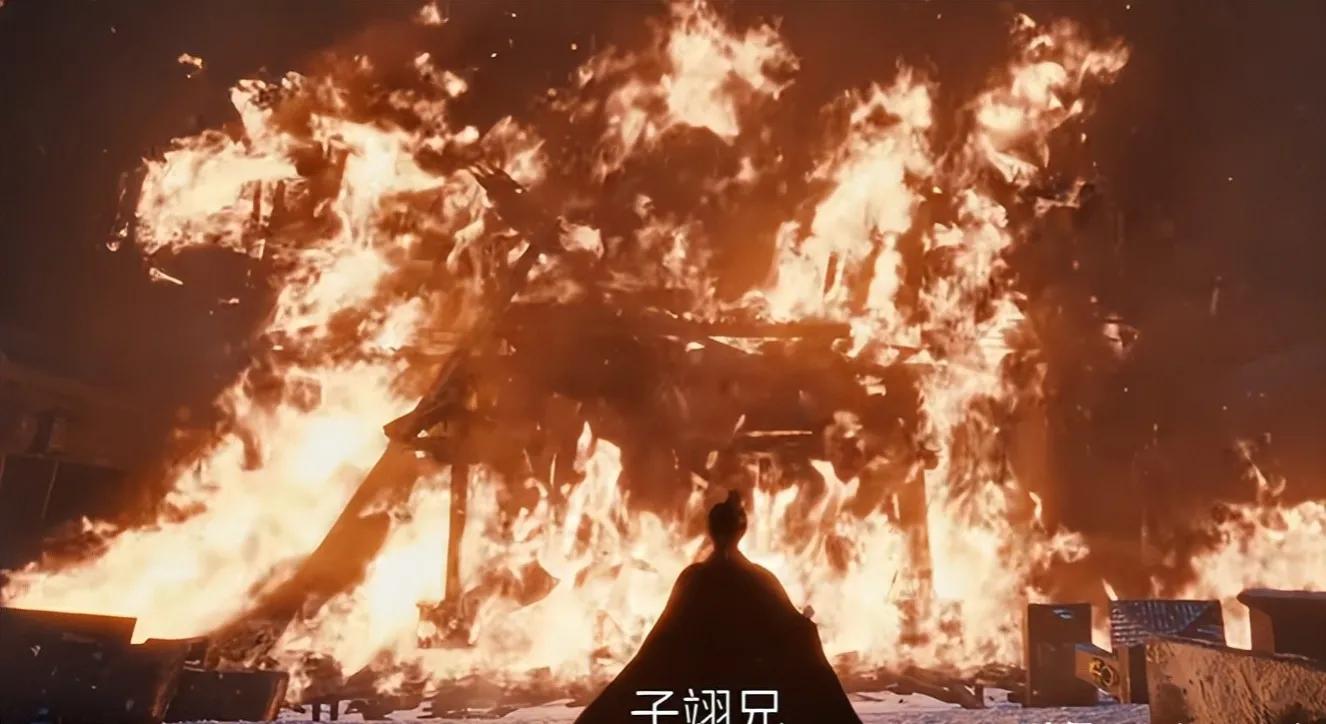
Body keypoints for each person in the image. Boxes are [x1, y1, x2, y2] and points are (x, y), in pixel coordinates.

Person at [575, 491, 861, 724]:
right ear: (742, 531)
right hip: (744, 688)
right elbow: (790, 632)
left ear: (711, 530)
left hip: (700, 690)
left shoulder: (694, 578)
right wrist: (804, 626)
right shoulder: (758, 579)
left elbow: (663, 640)